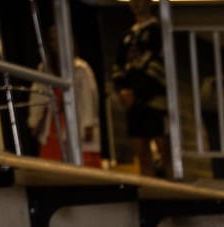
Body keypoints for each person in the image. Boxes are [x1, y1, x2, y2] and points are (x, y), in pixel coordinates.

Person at [27, 26, 101, 167]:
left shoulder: (81, 68)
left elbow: (88, 100)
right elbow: (37, 97)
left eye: (59, 38)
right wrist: (34, 122)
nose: (56, 43)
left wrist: (88, 126)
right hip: (52, 130)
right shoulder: (44, 69)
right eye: (53, 39)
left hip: (76, 131)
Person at [110, 0, 167, 176]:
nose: (135, 4)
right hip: (134, 104)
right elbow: (118, 68)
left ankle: (172, 190)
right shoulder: (127, 36)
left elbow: (160, 66)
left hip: (155, 100)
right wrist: (122, 90)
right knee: (141, 153)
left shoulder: (158, 31)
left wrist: (139, 91)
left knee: (165, 150)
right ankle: (148, 193)